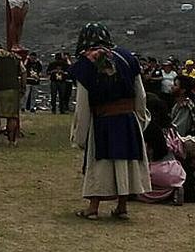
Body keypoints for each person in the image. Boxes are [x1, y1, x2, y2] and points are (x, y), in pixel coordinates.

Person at [70, 23, 151, 220]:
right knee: (124, 161)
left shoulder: (85, 64)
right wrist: (141, 118)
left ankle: (93, 207)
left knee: (100, 162)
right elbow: (140, 94)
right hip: (128, 118)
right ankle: (122, 206)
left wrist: (80, 134)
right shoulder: (127, 57)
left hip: (104, 120)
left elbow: (82, 104)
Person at [138, 95, 186, 205]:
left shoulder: (147, 129)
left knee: (136, 186)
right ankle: (171, 192)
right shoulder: (172, 129)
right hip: (176, 171)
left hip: (155, 170)